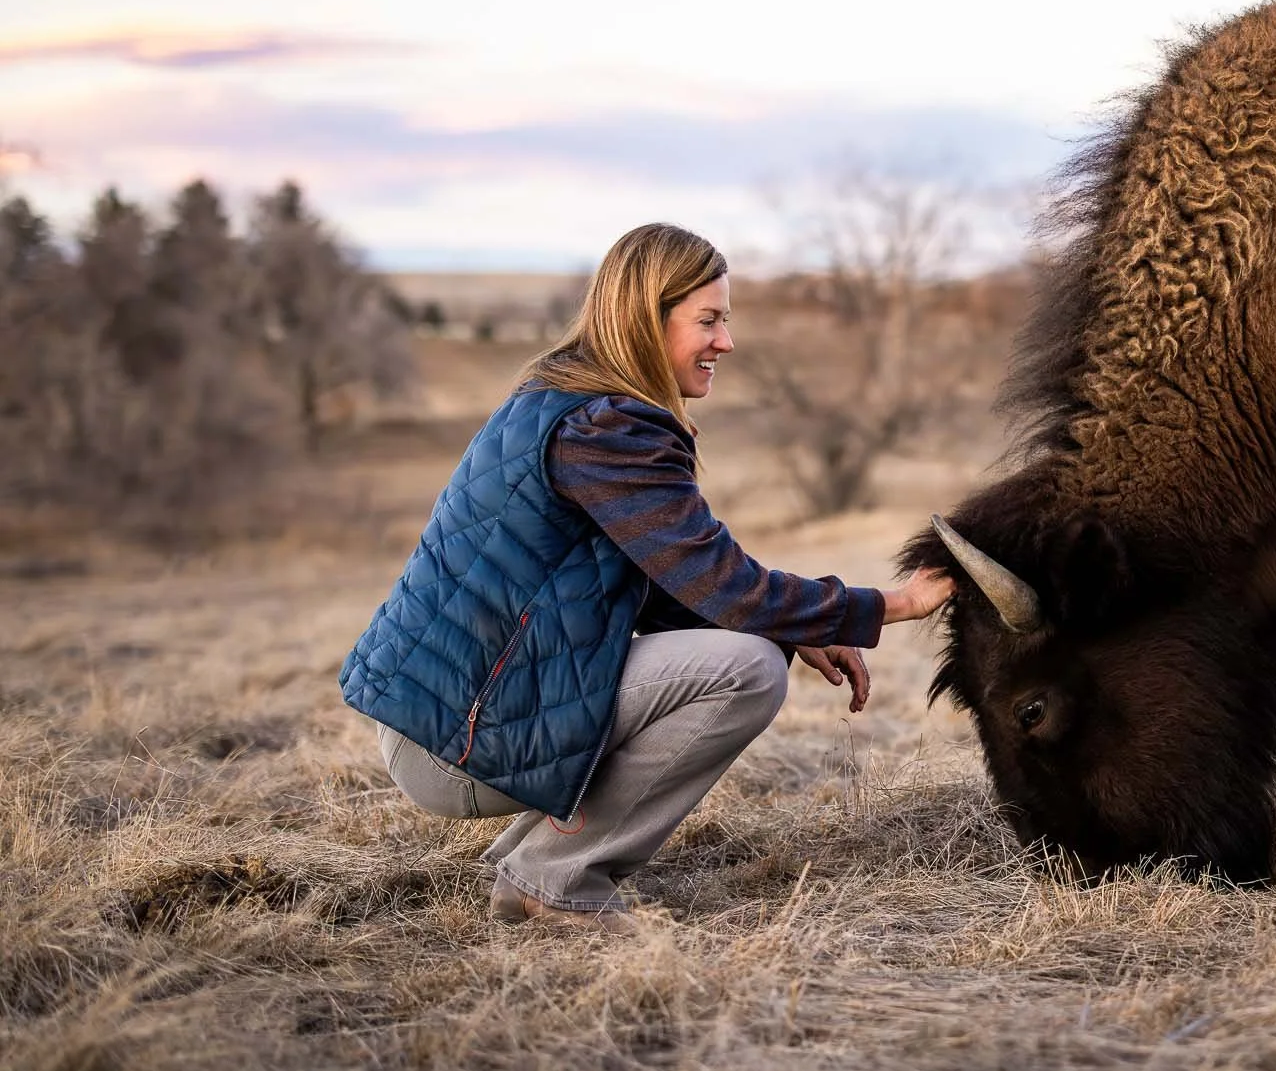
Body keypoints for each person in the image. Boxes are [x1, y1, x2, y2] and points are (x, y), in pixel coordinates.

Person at [340, 222, 952, 931]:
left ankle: (533, 859)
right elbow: (723, 583)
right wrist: (896, 603)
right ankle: (552, 879)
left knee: (753, 647)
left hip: (439, 724)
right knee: (748, 668)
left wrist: (795, 621)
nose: (726, 341)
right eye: (708, 320)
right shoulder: (611, 429)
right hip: (458, 743)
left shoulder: (562, 398)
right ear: (644, 319)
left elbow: (672, 583)